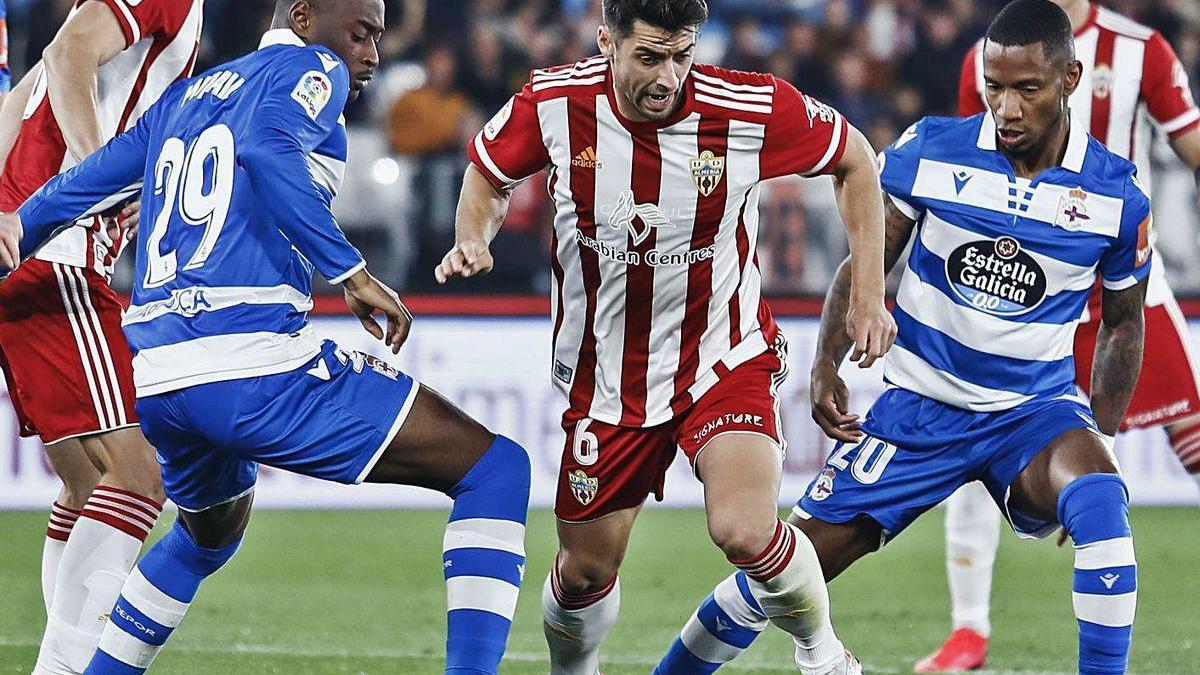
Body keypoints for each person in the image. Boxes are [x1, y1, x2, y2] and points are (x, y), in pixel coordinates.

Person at [0, 1, 531, 673]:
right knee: (497, 469)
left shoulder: (188, 94)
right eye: (362, 32)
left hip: (161, 380)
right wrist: (351, 271)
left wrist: (11, 239)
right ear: (305, 16)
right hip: (250, 365)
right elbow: (266, 144)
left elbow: (73, 190)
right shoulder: (314, 66)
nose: (371, 53)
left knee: (208, 532)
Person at [654, 1, 1149, 674]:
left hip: (1033, 416)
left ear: (1069, 79)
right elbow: (865, 262)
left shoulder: (1117, 197)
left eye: (1026, 89)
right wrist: (826, 360)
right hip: (917, 410)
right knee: (780, 575)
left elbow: (1124, 324)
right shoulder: (931, 151)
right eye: (993, 87)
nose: (1006, 108)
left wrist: (1107, 442)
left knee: (1100, 502)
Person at [436, 0, 895, 672]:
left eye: (682, 54)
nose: (668, 76)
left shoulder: (746, 108)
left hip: (722, 354)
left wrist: (869, 292)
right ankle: (574, 667)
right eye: (649, 56)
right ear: (606, 42)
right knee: (584, 571)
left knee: (744, 529)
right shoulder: (554, 103)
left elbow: (854, 157)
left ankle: (824, 653)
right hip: (607, 380)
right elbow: (488, 172)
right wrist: (472, 236)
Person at [918, 0, 1200, 669]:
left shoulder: (1142, 50)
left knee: (1194, 433)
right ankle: (968, 630)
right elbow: (964, 167)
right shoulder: (987, 55)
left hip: (1122, 283)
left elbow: (1191, 145)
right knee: (972, 447)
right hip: (1020, 288)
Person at [0, 1, 201, 672]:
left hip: (31, 247)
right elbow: (66, 56)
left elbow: (29, 88)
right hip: (57, 256)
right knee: (142, 475)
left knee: (89, 485)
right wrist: (95, 174)